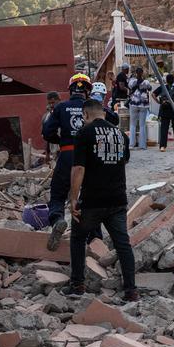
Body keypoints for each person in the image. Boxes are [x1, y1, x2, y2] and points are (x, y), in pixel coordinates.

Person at [67, 97, 137, 301]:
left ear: (86, 115)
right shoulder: (120, 135)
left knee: (78, 239)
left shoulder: (84, 133)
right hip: (117, 198)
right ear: (103, 113)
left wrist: (73, 198)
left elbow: (79, 168)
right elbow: (123, 161)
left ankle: (77, 285)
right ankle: (131, 291)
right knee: (123, 244)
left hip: (92, 200)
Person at [42, 74, 118, 250]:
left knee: (58, 193)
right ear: (88, 91)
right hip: (91, 158)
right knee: (90, 196)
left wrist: (60, 141)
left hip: (67, 154)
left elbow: (47, 131)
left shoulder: (61, 107)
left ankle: (58, 219)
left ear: (70, 90)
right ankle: (95, 237)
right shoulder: (94, 108)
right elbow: (114, 120)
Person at [156, 74, 174, 151]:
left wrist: (159, 102)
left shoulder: (163, 87)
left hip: (164, 110)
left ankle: (162, 146)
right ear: (173, 80)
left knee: (164, 129)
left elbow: (153, 94)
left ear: (166, 80)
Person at [128, 79, 153, 150]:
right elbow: (150, 88)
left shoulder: (132, 81)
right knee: (142, 125)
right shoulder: (146, 82)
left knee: (132, 125)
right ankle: (142, 145)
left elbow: (129, 87)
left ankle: (131, 144)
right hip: (143, 105)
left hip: (133, 104)